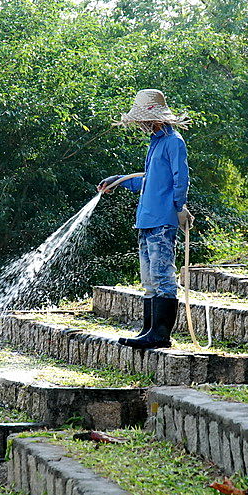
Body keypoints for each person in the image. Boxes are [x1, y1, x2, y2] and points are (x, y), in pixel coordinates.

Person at [97, 89, 193, 350]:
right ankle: (148, 330)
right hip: (146, 220)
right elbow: (148, 181)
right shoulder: (155, 143)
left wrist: (177, 208)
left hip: (162, 221)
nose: (140, 124)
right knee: (148, 279)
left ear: (156, 118)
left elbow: (180, 180)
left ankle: (160, 335)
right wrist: (118, 180)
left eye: (142, 119)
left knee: (163, 276)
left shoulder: (174, 142)